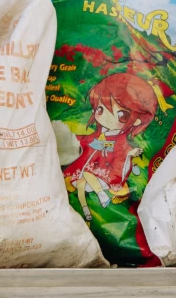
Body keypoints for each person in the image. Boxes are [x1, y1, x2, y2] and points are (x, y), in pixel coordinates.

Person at [63, 71, 159, 221]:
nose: (106, 118)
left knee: (86, 176)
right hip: (88, 167)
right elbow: (87, 140)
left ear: (138, 120)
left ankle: (101, 195)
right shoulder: (97, 134)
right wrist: (71, 138)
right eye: (100, 110)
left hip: (105, 171)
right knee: (80, 184)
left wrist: (129, 154)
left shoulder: (120, 140)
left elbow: (121, 151)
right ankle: (85, 212)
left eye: (121, 115)